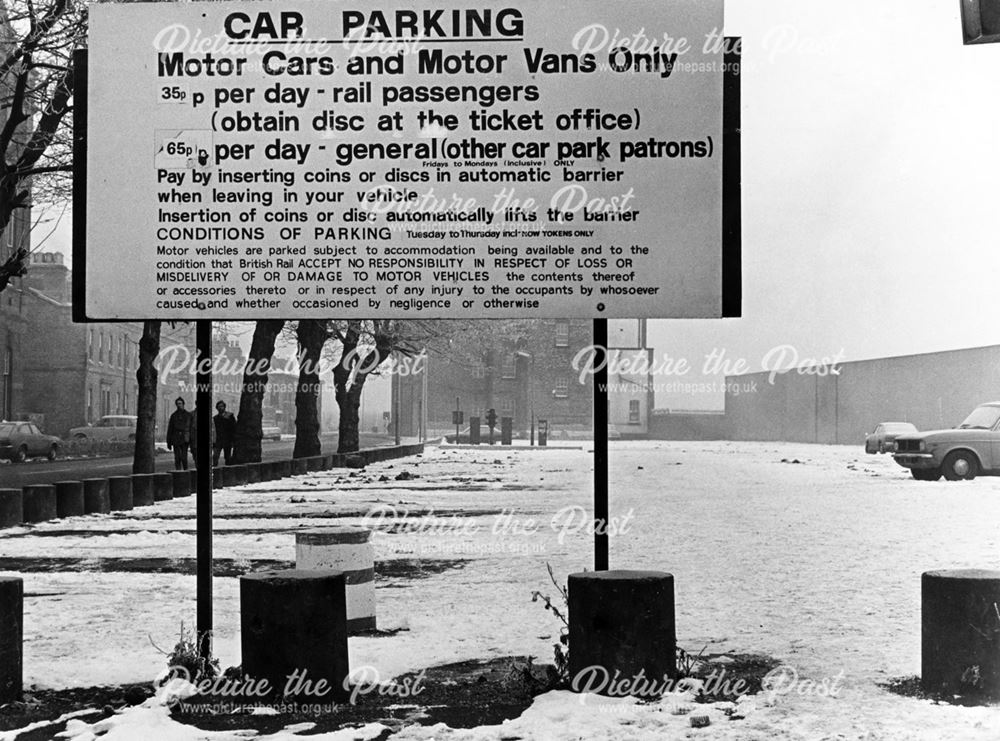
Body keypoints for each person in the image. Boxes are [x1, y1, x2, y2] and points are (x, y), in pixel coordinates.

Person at [166, 397, 192, 470]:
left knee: (184, 457)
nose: (179, 405)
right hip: (176, 438)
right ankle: (178, 472)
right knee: (177, 457)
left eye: (180, 403)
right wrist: (169, 442)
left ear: (183, 404)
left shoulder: (188, 415)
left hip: (184, 438)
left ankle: (185, 471)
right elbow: (170, 429)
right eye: (177, 404)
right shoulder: (173, 416)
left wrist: (191, 440)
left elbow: (190, 428)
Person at [213, 400, 236, 466]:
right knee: (215, 457)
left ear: (224, 407)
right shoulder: (215, 418)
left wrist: (233, 440)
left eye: (222, 406)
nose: (220, 408)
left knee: (228, 457)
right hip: (218, 440)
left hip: (228, 440)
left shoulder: (230, 416)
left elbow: (234, 428)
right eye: (219, 407)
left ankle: (228, 472)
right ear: (217, 408)